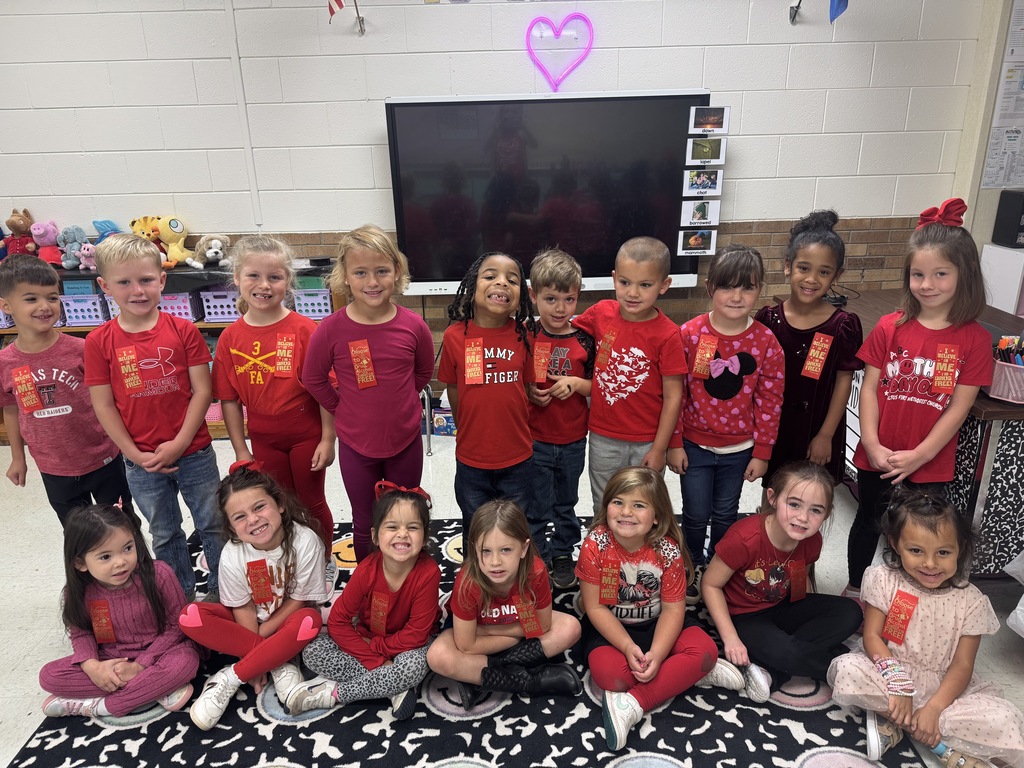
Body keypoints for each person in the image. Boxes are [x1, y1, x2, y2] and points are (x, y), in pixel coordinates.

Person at [845, 198, 993, 604]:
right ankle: (857, 589)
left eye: (940, 274)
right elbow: (871, 388)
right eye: (918, 275)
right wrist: (872, 444)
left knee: (919, 535)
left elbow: (959, 408)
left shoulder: (974, 339)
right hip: (877, 455)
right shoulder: (892, 326)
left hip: (929, 463)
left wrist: (920, 456)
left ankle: (905, 599)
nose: (927, 284)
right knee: (869, 523)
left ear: (965, 276)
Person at [828, 489, 1024, 767]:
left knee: (1005, 719)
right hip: (890, 674)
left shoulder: (972, 602)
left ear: (961, 548)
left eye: (943, 552)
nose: (930, 563)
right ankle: (940, 744)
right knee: (848, 669)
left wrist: (933, 708)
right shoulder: (884, 580)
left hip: (945, 690)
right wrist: (899, 687)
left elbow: (962, 666)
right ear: (896, 544)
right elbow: (872, 637)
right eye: (916, 550)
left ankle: (898, 719)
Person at [85, 233, 222, 600]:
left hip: (193, 452)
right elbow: (104, 405)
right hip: (140, 462)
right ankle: (179, 596)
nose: (138, 291)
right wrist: (133, 453)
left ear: (161, 280)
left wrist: (179, 443)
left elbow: (202, 392)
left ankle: (227, 594)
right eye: (124, 282)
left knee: (213, 523)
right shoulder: (99, 342)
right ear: (104, 286)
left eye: (146, 280)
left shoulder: (184, 330)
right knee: (164, 530)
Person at [576, 466, 739, 751]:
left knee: (706, 651)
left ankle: (634, 704)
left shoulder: (667, 550)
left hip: (659, 622)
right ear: (606, 507)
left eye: (638, 505)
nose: (626, 512)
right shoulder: (595, 544)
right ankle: (690, 674)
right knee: (611, 677)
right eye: (618, 502)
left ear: (657, 517)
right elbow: (595, 608)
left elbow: (674, 611)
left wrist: (659, 652)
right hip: (611, 627)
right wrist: (627, 646)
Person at [303, 225, 434, 563]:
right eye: (360, 272)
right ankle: (369, 580)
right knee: (365, 521)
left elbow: (422, 373)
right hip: (356, 445)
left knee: (405, 516)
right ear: (345, 276)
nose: (372, 282)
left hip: (405, 441)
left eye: (381, 271)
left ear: (397, 272)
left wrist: (402, 401)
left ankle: (407, 578)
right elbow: (313, 379)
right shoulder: (330, 329)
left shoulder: (414, 325)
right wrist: (344, 408)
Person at [212, 235, 336, 575]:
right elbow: (228, 400)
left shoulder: (305, 330)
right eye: (253, 275)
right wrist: (240, 449)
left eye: (275, 277)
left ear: (287, 282)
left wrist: (328, 438)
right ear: (236, 278)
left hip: (306, 433)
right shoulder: (229, 338)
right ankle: (289, 559)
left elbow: (324, 389)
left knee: (311, 501)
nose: (264, 285)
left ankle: (322, 560)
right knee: (277, 505)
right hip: (264, 437)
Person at [178, 465, 327, 730]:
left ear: (280, 503)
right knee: (190, 616)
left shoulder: (306, 542)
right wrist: (259, 647)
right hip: (247, 623)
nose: (253, 520)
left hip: (290, 619)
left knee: (310, 620)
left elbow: (298, 601)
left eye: (259, 507)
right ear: (232, 528)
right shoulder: (233, 554)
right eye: (240, 517)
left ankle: (231, 677)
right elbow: (243, 607)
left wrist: (260, 639)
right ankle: (278, 661)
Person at [701, 461, 862, 703]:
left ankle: (772, 671)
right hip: (744, 616)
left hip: (782, 605)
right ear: (773, 498)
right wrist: (730, 638)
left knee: (851, 612)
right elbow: (710, 585)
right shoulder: (744, 538)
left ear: (826, 514)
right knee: (787, 651)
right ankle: (852, 672)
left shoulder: (812, 540)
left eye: (816, 510)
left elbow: (799, 576)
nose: (803, 517)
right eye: (794, 504)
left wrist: (807, 611)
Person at [677, 244, 785, 587]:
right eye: (727, 286)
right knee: (694, 513)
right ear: (711, 288)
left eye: (747, 287)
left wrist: (763, 452)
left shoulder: (766, 341)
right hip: (693, 444)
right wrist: (674, 442)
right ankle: (692, 562)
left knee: (726, 513)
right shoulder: (690, 334)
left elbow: (771, 400)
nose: (736, 296)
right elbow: (676, 393)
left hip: (739, 449)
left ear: (759, 290)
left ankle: (718, 565)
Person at [288, 483, 441, 720]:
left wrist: (376, 647)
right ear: (375, 536)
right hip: (368, 637)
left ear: (424, 536)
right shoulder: (367, 569)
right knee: (313, 651)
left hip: (408, 647)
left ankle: (336, 694)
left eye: (413, 527)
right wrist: (378, 661)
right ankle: (394, 687)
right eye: (392, 527)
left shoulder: (429, 572)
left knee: (414, 665)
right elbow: (339, 621)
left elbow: (416, 635)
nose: (402, 534)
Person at [0, 255, 133, 526]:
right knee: (78, 532)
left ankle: (136, 567)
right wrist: (17, 458)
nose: (44, 306)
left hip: (103, 457)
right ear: (5, 306)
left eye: (52, 297)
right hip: (53, 466)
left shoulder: (82, 350)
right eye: (30, 299)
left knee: (123, 522)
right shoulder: (5, 362)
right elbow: (11, 409)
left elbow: (111, 399)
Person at [39, 504, 198, 717]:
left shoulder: (159, 574)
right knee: (48, 676)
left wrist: (141, 665)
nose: (121, 562)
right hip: (111, 658)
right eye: (105, 557)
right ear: (80, 563)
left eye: (127, 548)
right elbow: (81, 633)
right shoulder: (78, 591)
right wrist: (92, 667)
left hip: (161, 652)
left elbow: (177, 627)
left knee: (186, 662)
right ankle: (153, 689)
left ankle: (101, 707)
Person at [426, 499, 582, 710]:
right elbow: (464, 644)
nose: (495, 562)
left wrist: (491, 633)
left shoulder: (535, 572)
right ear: (474, 549)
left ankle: (478, 678)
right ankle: (533, 681)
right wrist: (520, 634)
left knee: (571, 628)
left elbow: (544, 625)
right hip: (498, 633)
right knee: (437, 656)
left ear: (524, 548)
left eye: (506, 550)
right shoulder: (468, 582)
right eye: (486, 551)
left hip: (491, 634)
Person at [572, 236, 687, 514]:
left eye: (645, 285)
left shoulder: (669, 334)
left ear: (664, 285)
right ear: (614, 278)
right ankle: (601, 554)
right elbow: (564, 332)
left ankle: (640, 555)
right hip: (602, 435)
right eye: (625, 282)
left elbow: (674, 397)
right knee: (605, 502)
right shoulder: (601, 313)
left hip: (648, 439)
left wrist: (660, 449)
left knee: (644, 506)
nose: (632, 293)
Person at [754, 210, 863, 498]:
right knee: (774, 493)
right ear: (787, 266)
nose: (811, 279)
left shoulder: (842, 326)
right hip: (774, 429)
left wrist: (826, 435)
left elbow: (843, 381)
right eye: (804, 268)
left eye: (824, 272)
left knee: (810, 497)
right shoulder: (768, 319)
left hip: (815, 428)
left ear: (836, 276)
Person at [438, 252, 535, 531]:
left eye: (512, 280)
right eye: (490, 276)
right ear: (472, 287)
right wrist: (467, 431)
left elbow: (526, 389)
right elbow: (453, 390)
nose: (502, 283)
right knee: (475, 528)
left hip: (518, 459)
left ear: (521, 295)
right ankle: (474, 576)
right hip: (471, 460)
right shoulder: (455, 336)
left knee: (513, 530)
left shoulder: (525, 335)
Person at [526, 248, 595, 588]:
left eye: (568, 299)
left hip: (572, 439)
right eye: (551, 298)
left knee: (566, 501)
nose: (560, 308)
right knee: (537, 501)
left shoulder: (585, 339)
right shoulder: (524, 335)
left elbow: (600, 386)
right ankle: (536, 553)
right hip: (534, 438)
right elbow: (514, 379)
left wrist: (578, 384)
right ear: (533, 295)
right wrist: (528, 392)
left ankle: (563, 551)